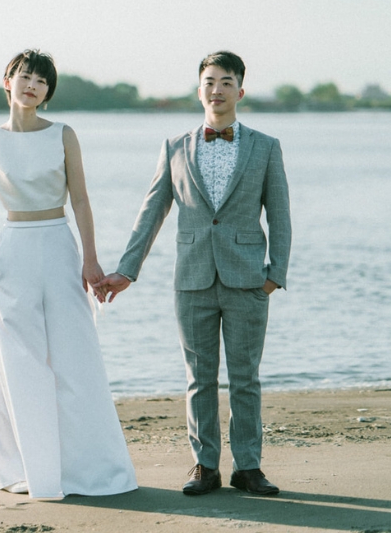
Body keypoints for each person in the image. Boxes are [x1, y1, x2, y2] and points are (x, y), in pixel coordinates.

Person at [96, 50, 290, 497]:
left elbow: (280, 215)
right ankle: (205, 465)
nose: (216, 90)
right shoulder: (174, 147)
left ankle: (248, 467)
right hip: (192, 279)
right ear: (199, 89)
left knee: (245, 378)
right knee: (199, 377)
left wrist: (274, 274)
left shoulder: (265, 147)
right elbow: (151, 214)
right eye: (209, 81)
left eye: (225, 82)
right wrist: (127, 271)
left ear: (240, 90)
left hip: (248, 281)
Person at [0, 49, 137, 500]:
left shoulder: (63, 134)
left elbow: (80, 199)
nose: (32, 85)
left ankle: (88, 471)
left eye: (42, 81)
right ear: (8, 81)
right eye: (25, 76)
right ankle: (32, 470)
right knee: (18, 361)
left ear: (48, 91)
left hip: (60, 245)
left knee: (73, 356)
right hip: (12, 252)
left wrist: (91, 259)